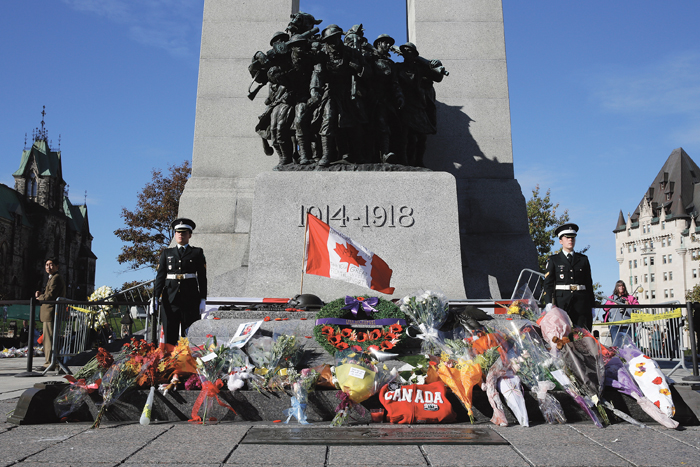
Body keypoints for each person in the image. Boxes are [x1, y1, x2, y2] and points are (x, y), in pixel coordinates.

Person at [154, 218, 207, 345]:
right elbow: (160, 276)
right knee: (169, 333)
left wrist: (203, 298)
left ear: (190, 235)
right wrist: (155, 297)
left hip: (190, 298)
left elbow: (202, 277)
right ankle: (169, 362)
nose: (180, 235)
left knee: (190, 334)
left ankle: (189, 362)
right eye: (178, 232)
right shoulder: (167, 253)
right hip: (170, 298)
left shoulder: (197, 252)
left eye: (184, 232)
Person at [542, 223, 595, 330]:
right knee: (563, 335)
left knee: (583, 336)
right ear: (561, 241)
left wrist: (592, 305)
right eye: (567, 238)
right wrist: (548, 303)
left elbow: (588, 283)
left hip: (581, 303)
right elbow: (548, 284)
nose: (570, 240)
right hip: (562, 303)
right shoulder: (554, 260)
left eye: (573, 238)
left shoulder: (583, 259)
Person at [34, 257, 66, 371]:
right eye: (47, 265)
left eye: (51, 264)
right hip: (49, 312)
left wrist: (39, 297)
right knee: (48, 339)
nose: (48, 267)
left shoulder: (56, 278)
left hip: (51, 312)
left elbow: (51, 296)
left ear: (57, 266)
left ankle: (50, 363)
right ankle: (50, 362)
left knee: (49, 339)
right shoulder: (52, 278)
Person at [603, 280, 639, 345]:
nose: (621, 287)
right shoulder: (611, 298)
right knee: (616, 344)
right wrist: (614, 303)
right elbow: (605, 308)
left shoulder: (630, 298)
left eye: (622, 286)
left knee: (629, 345)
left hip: (628, 325)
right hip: (615, 324)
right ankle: (617, 355)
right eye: (619, 286)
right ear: (616, 287)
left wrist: (629, 304)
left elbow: (637, 307)